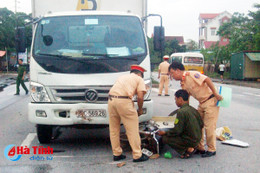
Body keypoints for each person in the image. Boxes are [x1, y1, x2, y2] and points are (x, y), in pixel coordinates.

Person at [168, 62, 223, 157]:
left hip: (210, 100)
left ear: (178, 70)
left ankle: (211, 149)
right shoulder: (183, 83)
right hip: (201, 103)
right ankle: (200, 147)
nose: (172, 76)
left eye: (172, 73)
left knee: (209, 126)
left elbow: (207, 79)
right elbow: (186, 98)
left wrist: (216, 93)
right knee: (198, 125)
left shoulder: (191, 74)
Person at [108, 65, 149, 162]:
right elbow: (140, 97)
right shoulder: (139, 79)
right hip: (124, 102)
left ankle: (117, 153)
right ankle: (137, 155)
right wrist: (140, 109)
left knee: (114, 129)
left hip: (111, 100)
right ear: (140, 74)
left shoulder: (122, 77)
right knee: (132, 129)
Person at [157, 89, 203, 159]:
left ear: (180, 99)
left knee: (165, 138)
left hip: (191, 140)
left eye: (175, 99)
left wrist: (165, 132)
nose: (175, 101)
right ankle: (192, 146)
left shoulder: (181, 112)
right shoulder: (193, 109)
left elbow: (177, 131)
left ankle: (187, 149)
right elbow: (201, 124)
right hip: (198, 138)